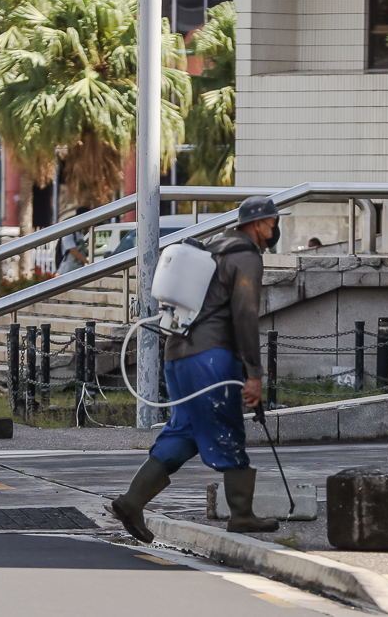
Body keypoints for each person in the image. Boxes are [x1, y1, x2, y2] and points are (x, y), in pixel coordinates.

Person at [108, 196, 288, 543]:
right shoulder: (245, 256)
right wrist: (254, 373)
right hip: (211, 357)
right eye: (271, 221)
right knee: (227, 426)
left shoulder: (215, 246)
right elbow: (245, 316)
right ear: (256, 224)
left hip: (177, 354)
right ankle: (242, 514)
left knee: (184, 431)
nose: (274, 228)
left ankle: (132, 501)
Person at [56, 206, 90, 275]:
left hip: (78, 270)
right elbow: (73, 251)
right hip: (67, 270)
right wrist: (88, 261)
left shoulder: (80, 233)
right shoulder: (69, 232)